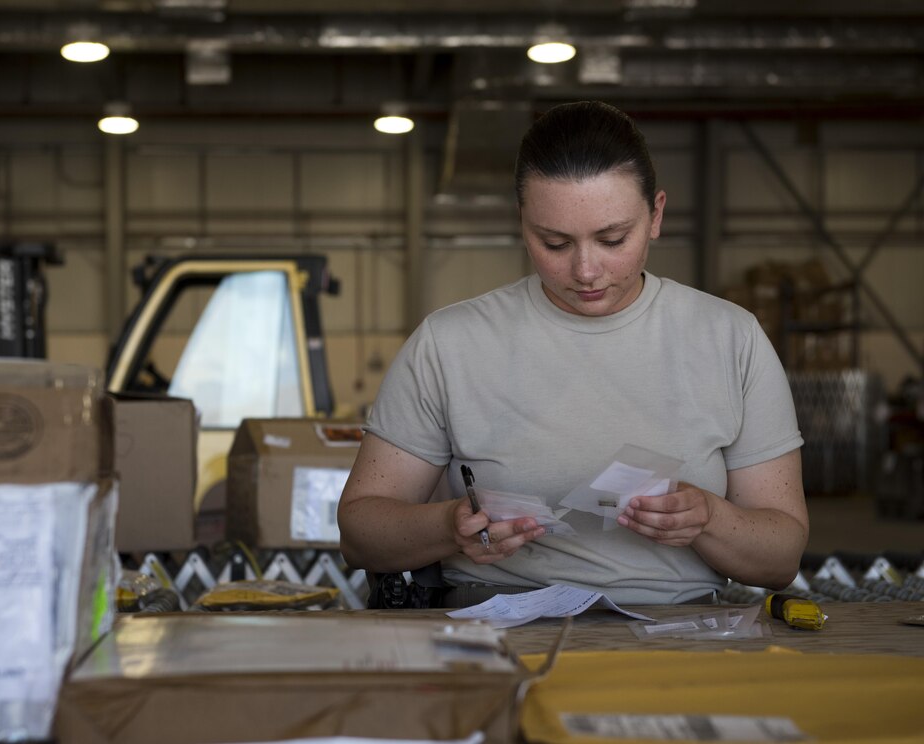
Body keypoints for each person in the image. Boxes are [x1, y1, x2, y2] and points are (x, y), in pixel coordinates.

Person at [337, 100, 808, 606]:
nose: (585, 270)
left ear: (656, 215)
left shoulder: (731, 340)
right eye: (555, 243)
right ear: (523, 223)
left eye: (612, 239)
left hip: (680, 640)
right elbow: (361, 532)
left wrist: (710, 520)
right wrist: (447, 526)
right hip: (494, 627)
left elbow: (781, 558)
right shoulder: (449, 344)